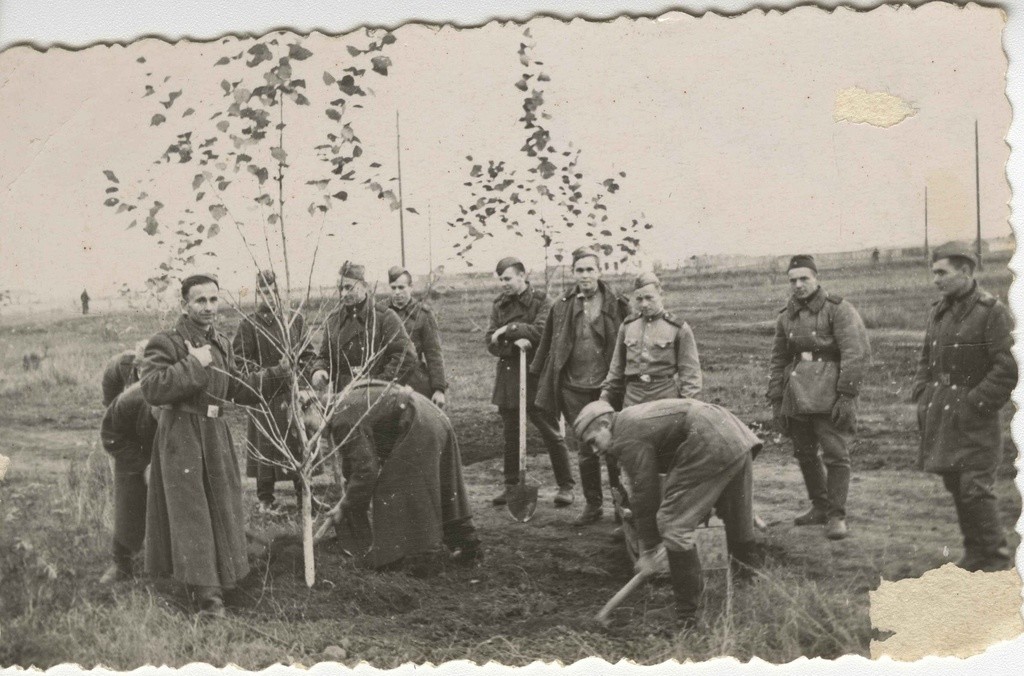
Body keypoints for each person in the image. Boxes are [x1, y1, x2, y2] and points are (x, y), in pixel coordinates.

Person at [139, 273, 288, 617]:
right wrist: (195, 362)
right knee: (193, 514)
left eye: (213, 300)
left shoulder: (220, 341)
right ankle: (208, 598)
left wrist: (280, 374)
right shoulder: (168, 342)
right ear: (184, 304)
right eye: (200, 301)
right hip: (182, 435)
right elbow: (153, 388)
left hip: (215, 432)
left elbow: (236, 387)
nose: (208, 307)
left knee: (223, 506)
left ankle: (228, 583)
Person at [574, 398, 762, 630]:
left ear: (604, 423)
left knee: (672, 523)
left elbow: (645, 491)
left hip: (707, 438)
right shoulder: (632, 419)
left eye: (593, 442)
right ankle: (750, 588)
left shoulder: (625, 435)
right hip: (732, 431)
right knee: (737, 514)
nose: (595, 451)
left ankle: (687, 616)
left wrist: (649, 550)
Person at [912, 246, 1016, 572]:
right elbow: (926, 358)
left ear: (966, 272)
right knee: (956, 484)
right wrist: (922, 391)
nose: (935, 280)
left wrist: (975, 404)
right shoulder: (939, 311)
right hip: (942, 413)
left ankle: (997, 560)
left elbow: (1009, 367)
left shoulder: (991, 311)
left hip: (975, 419)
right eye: (934, 273)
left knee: (975, 489)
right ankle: (975, 554)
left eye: (942, 273)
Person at [322, 381, 482, 576]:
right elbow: (355, 463)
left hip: (417, 422)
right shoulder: (344, 402)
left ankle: (422, 559)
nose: (314, 434)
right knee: (445, 485)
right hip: (431, 415)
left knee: (395, 488)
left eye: (307, 424)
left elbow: (366, 472)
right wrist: (349, 499)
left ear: (315, 408)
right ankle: (468, 545)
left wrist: (344, 505)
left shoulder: (341, 418)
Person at [767, 254, 870, 540]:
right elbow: (778, 358)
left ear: (816, 278)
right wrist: (777, 399)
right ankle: (820, 506)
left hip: (829, 391)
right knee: (803, 452)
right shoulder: (786, 315)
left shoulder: (838, 309)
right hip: (797, 392)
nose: (798, 285)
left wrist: (847, 396)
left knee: (836, 454)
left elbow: (855, 353)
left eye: (804, 279)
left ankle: (837, 515)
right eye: (792, 280)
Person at [531, 246, 631, 524]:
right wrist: (538, 377)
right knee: (586, 449)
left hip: (607, 390)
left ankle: (620, 506)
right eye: (580, 270)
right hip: (572, 388)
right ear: (573, 273)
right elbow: (548, 344)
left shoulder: (617, 304)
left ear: (599, 272)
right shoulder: (561, 306)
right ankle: (593, 504)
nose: (585, 275)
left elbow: (631, 341)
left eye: (590, 269)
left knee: (612, 447)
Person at [485, 256, 575, 507]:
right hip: (509, 378)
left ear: (522, 276)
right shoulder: (499, 305)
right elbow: (489, 341)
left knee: (550, 431)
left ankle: (566, 486)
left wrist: (508, 330)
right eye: (501, 279)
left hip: (536, 376)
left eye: (508, 278)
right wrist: (510, 341)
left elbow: (540, 331)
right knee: (511, 435)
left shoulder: (543, 301)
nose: (504, 284)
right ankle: (512, 485)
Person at [232, 270, 316, 515]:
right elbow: (241, 363)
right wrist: (270, 373)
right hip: (264, 395)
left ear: (280, 293)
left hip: (293, 395)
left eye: (273, 291)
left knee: (299, 443)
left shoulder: (295, 320)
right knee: (265, 448)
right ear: (258, 294)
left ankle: (305, 498)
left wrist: (305, 377)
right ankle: (266, 500)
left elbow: (309, 355)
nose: (269, 297)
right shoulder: (248, 324)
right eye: (264, 292)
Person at [310, 261, 416, 393]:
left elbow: (406, 356)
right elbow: (325, 357)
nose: (343, 293)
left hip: (376, 396)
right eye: (340, 288)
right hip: (343, 396)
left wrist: (379, 384)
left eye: (349, 287)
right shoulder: (333, 320)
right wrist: (319, 370)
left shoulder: (384, 317)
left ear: (365, 287)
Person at [600, 271, 702, 407]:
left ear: (661, 295)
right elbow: (616, 369)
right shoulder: (627, 326)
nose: (644, 304)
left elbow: (691, 375)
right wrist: (605, 396)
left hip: (665, 399)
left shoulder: (679, 328)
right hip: (633, 400)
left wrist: (688, 406)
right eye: (639, 299)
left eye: (649, 298)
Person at [98, 382, 157, 584]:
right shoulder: (130, 399)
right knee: (128, 504)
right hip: (133, 451)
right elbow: (110, 436)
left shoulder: (182, 392)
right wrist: (143, 465)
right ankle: (121, 563)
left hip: (171, 452)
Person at [386, 265, 448, 408]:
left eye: (401, 287)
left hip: (415, 381)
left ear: (411, 287)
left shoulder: (423, 315)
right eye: (393, 288)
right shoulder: (382, 313)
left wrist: (439, 389)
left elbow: (434, 354)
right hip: (387, 381)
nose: (397, 292)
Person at [101, 340, 147, 407]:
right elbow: (132, 395)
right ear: (137, 365)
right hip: (111, 377)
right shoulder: (126, 364)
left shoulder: (154, 364)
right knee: (112, 408)